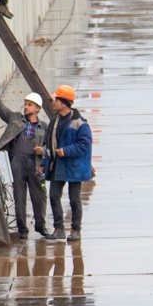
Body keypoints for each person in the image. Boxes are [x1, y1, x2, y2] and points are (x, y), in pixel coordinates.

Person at [0, 81, 54, 240]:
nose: (26, 107)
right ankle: (22, 229)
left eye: (30, 105)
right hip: (17, 163)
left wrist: (42, 151)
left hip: (35, 165)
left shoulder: (44, 127)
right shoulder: (15, 118)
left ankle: (41, 227)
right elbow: (1, 110)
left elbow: (51, 147)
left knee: (40, 197)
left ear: (37, 109)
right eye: (25, 104)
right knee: (19, 196)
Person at [46, 84, 93, 243]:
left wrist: (66, 151)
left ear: (63, 102)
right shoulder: (54, 121)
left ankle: (75, 229)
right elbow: (49, 144)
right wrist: (45, 162)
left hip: (73, 167)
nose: (53, 102)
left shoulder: (80, 123)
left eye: (56, 100)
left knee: (74, 200)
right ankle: (59, 229)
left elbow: (85, 144)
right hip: (58, 166)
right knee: (53, 196)